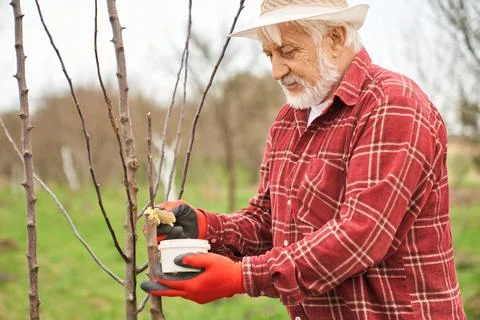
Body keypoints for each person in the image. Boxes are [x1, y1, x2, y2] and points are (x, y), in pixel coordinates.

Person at [141, 0, 466, 319]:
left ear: (336, 38)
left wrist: (242, 278)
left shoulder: (393, 105)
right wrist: (207, 226)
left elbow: (360, 235)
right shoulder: (288, 120)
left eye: (288, 52)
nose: (275, 71)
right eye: (270, 55)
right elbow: (270, 223)